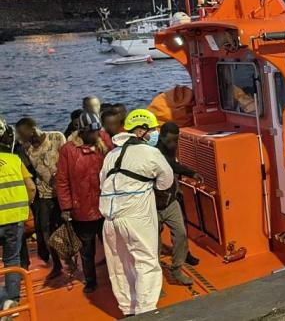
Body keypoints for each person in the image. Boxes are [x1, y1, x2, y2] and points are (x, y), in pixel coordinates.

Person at [100, 109, 174, 316]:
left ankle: (128, 310)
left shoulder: (111, 154)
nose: (155, 133)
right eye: (152, 130)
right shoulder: (151, 153)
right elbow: (166, 180)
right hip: (136, 216)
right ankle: (146, 311)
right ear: (141, 131)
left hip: (109, 220)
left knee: (120, 264)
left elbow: (102, 182)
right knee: (146, 262)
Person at [55, 112, 110, 293]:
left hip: (105, 207)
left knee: (111, 245)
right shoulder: (68, 151)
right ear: (82, 133)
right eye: (92, 132)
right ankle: (90, 280)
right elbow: (62, 181)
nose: (96, 135)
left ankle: (114, 276)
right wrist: (66, 207)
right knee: (87, 250)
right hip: (82, 210)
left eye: (97, 131)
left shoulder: (104, 144)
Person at [15, 117, 66, 279]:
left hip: (62, 191)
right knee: (45, 229)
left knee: (68, 226)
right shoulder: (26, 148)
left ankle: (72, 258)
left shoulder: (56, 137)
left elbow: (67, 160)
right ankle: (56, 265)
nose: (20, 138)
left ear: (32, 130)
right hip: (44, 193)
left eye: (22, 134)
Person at [155, 122, 199, 285]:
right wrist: (191, 172)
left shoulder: (170, 147)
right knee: (155, 240)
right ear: (161, 136)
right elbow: (172, 165)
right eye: (170, 140)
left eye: (176, 140)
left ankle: (177, 268)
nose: (173, 144)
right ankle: (156, 273)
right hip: (154, 201)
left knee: (180, 233)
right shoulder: (155, 151)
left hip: (171, 198)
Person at [0, 148, 36, 316]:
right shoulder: (14, 159)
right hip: (15, 219)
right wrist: (25, 207)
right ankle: (13, 302)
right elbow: (31, 187)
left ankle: (3, 299)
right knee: (12, 259)